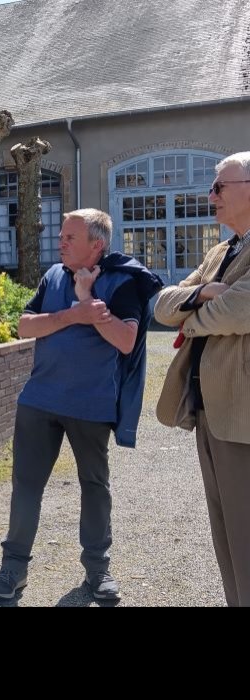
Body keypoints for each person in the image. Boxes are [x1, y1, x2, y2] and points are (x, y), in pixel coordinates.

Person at [0, 209, 161, 602]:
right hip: (38, 400)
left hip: (91, 404)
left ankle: (98, 572)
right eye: (61, 236)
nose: (60, 242)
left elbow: (126, 341)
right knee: (26, 487)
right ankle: (12, 570)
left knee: (94, 487)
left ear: (96, 245)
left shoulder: (123, 281)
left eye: (69, 238)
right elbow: (25, 325)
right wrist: (73, 314)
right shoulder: (52, 276)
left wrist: (89, 302)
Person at [155, 152, 250, 606]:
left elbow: (239, 309)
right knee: (225, 531)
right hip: (210, 409)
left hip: (244, 411)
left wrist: (190, 320)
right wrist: (201, 293)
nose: (210, 195)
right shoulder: (220, 251)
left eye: (219, 187)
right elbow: (161, 303)